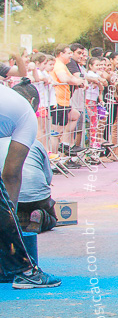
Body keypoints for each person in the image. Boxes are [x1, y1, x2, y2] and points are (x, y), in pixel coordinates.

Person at [0, 83, 61, 288]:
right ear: (35, 103)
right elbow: (11, 176)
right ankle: (25, 270)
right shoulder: (26, 118)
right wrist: (11, 219)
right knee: (2, 203)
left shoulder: (8, 105)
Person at [0, 136, 55, 233]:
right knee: (52, 218)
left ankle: (17, 216)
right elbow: (48, 178)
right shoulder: (35, 142)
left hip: (8, 197)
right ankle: (41, 215)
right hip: (38, 197)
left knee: (7, 209)